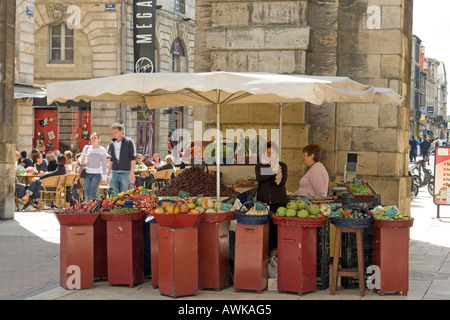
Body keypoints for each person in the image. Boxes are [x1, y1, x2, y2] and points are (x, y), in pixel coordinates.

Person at [255, 141, 288, 251]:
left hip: (279, 203)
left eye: (272, 152)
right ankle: (266, 256)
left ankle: (275, 258)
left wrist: (271, 171)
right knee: (265, 231)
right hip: (263, 203)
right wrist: (273, 170)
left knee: (276, 232)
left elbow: (280, 182)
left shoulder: (282, 166)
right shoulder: (259, 166)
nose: (270, 155)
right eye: (267, 152)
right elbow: (260, 178)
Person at [107, 123, 137, 193]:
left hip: (126, 172)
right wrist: (108, 175)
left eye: (116, 132)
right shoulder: (112, 144)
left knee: (126, 195)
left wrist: (132, 173)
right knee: (114, 196)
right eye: (113, 132)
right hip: (114, 172)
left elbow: (133, 158)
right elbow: (111, 160)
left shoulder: (128, 142)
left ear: (121, 131)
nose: (114, 134)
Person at [80, 132, 108, 201]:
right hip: (87, 173)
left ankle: (93, 207)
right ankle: (89, 207)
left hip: (96, 174)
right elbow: (80, 158)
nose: (93, 139)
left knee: (92, 192)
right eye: (92, 138)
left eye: (95, 138)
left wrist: (104, 177)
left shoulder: (102, 150)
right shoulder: (86, 148)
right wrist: (81, 160)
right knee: (87, 192)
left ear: (99, 139)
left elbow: (104, 164)